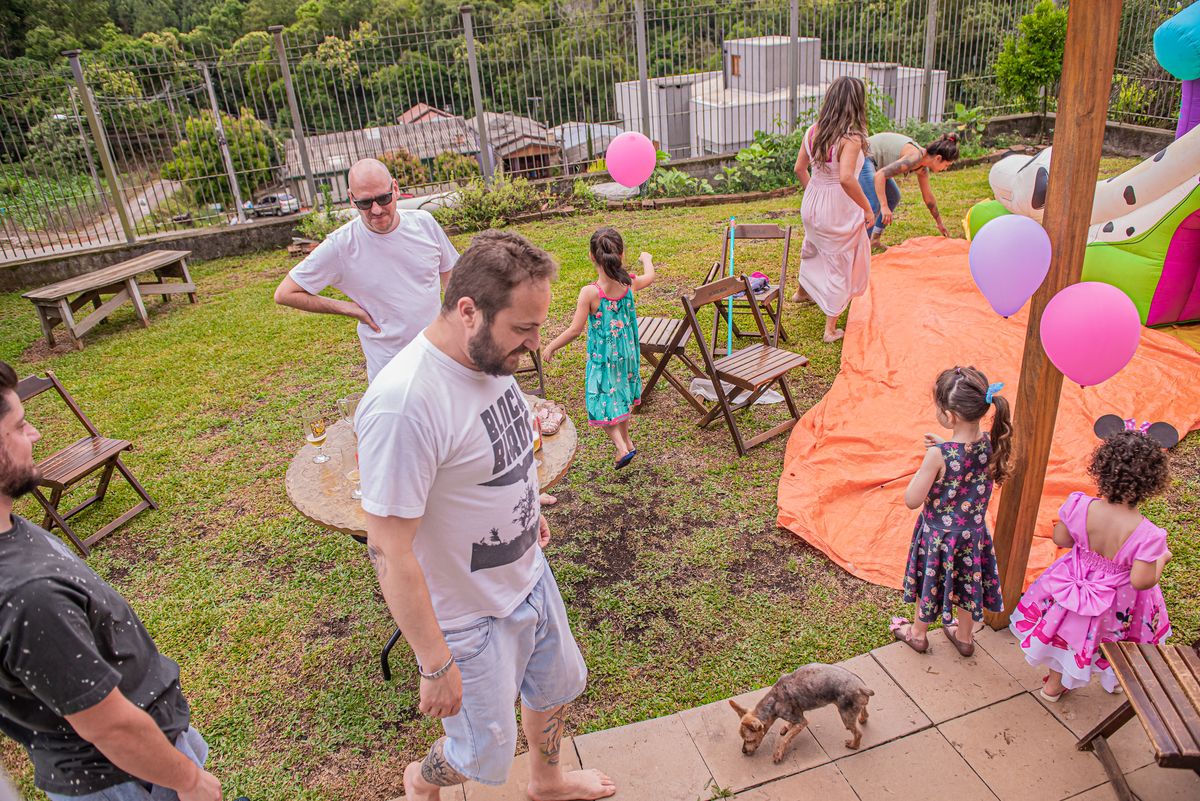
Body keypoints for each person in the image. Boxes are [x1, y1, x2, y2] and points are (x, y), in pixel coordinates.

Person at [355, 231, 616, 801]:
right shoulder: (405, 405)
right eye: (524, 328)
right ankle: (419, 780)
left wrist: (525, 505)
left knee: (554, 687)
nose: (536, 344)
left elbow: (496, 450)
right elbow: (387, 549)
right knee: (477, 754)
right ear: (469, 311)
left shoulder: (488, 358)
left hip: (529, 571)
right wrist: (433, 662)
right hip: (469, 617)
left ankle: (546, 782)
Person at [0, 361, 225, 801]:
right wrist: (189, 780)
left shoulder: (9, 529)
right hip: (127, 777)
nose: (35, 435)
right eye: (20, 426)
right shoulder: (27, 595)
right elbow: (109, 727)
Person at [1009, 424, 1173, 702]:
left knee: (1065, 637)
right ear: (1152, 483)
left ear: (1101, 470)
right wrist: (1163, 558)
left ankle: (1053, 686)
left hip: (1071, 588)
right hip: (1117, 603)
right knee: (1115, 643)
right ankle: (1116, 680)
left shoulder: (1079, 505)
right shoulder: (1150, 535)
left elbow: (1061, 538)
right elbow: (1141, 581)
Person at [273, 157, 459, 384]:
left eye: (383, 198)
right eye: (365, 203)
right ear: (352, 199)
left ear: (396, 189)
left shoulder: (424, 223)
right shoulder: (340, 245)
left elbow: (450, 272)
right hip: (391, 374)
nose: (377, 210)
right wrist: (348, 308)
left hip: (439, 358)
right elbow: (285, 293)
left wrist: (455, 320)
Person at [889, 366, 1013, 656]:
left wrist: (929, 463)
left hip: (938, 539)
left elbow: (912, 500)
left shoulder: (937, 456)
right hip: (972, 537)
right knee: (969, 584)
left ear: (949, 415)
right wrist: (947, 447)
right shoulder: (992, 442)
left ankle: (918, 634)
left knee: (928, 583)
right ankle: (965, 638)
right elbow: (966, 459)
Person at [542, 228, 655, 470]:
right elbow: (650, 276)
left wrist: (551, 346)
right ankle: (628, 441)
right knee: (622, 396)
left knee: (600, 403)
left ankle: (621, 447)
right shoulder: (629, 283)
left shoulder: (590, 292)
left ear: (592, 257)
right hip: (628, 356)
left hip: (603, 360)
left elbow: (575, 330)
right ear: (621, 255)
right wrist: (647, 259)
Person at [791, 75, 875, 344]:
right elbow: (847, 179)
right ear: (857, 103)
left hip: (812, 202)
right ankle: (831, 329)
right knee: (840, 261)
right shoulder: (851, 139)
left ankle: (801, 292)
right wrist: (868, 208)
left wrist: (816, 195)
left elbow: (799, 169)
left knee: (813, 245)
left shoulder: (812, 131)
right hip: (837, 207)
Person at [860, 131, 960, 252]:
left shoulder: (922, 167)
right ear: (938, 158)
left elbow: (928, 196)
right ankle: (861, 248)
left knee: (894, 196)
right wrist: (884, 206)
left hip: (876, 163)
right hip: (864, 154)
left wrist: (940, 223)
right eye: (946, 165)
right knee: (874, 204)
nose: (945, 169)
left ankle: (874, 241)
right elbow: (879, 176)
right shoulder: (914, 157)